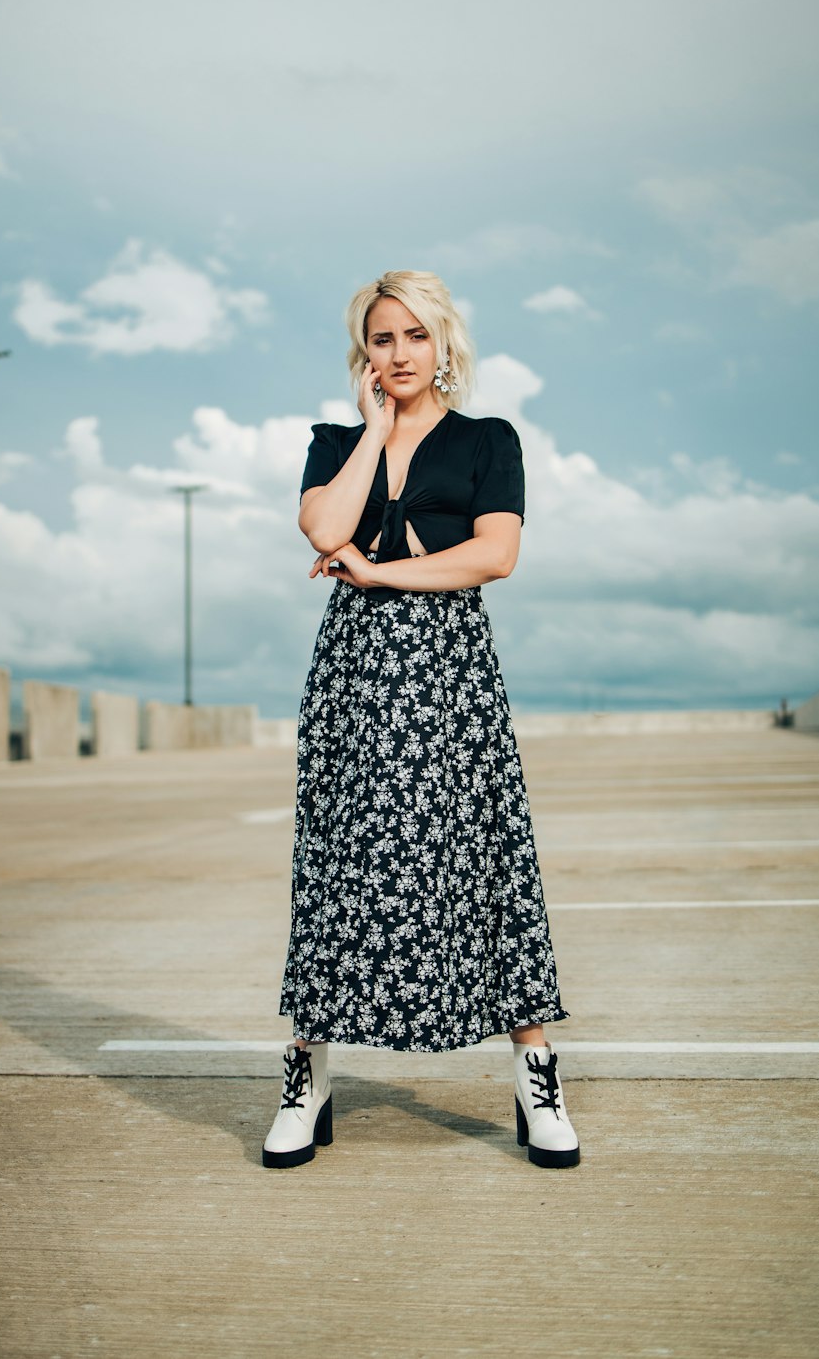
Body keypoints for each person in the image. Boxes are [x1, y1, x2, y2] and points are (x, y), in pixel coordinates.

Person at [262, 270, 580, 1171]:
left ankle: (536, 1075)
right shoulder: (334, 439)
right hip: (355, 678)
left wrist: (380, 571)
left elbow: (496, 555)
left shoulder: (487, 439)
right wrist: (370, 436)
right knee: (336, 863)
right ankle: (306, 1076)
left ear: (443, 344)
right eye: (380, 338)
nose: (396, 354)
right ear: (364, 351)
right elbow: (324, 528)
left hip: (449, 674)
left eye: (413, 337)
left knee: (486, 856)